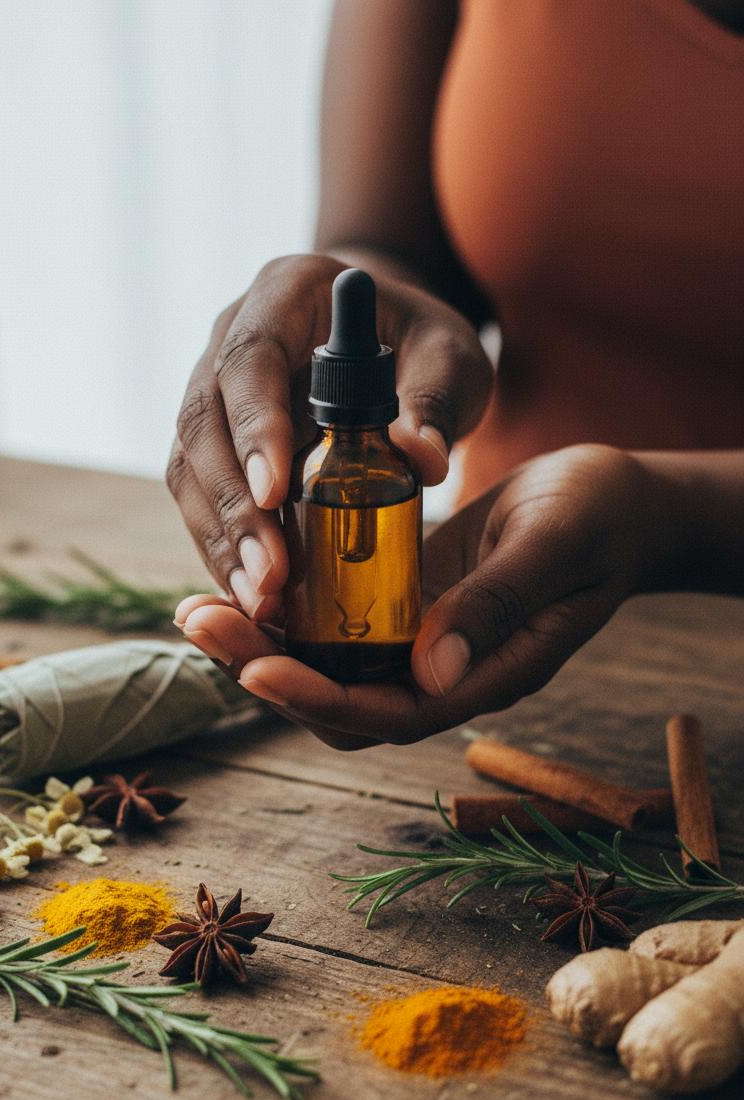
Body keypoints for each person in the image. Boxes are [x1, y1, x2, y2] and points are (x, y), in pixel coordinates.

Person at [167, 0, 744, 750]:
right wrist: (366, 302)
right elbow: (382, 239)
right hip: (489, 574)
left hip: (597, 590)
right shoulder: (337, 474)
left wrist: (671, 517)